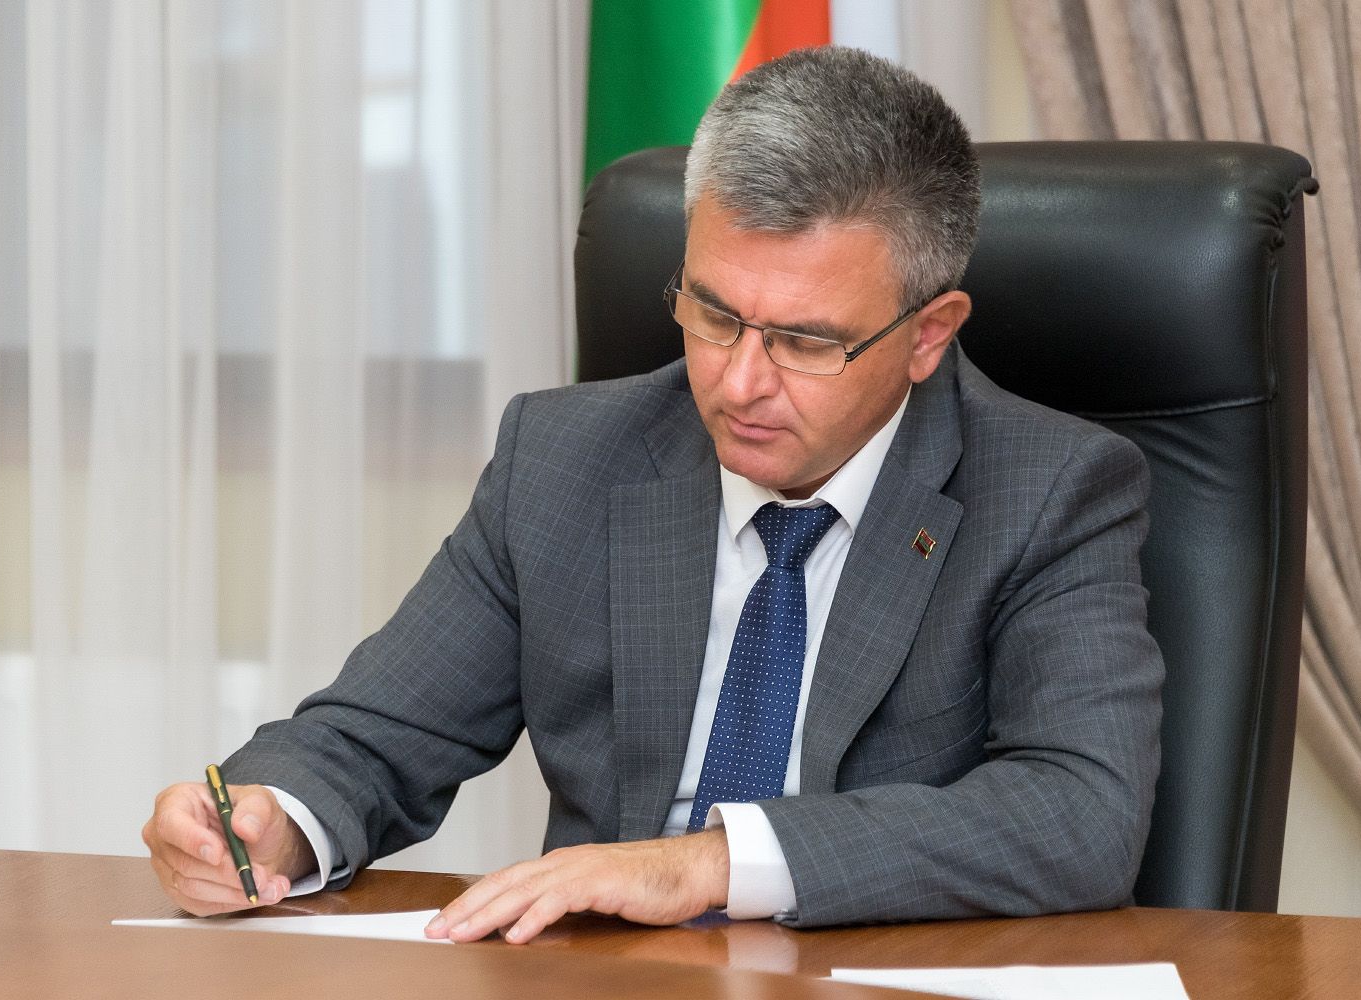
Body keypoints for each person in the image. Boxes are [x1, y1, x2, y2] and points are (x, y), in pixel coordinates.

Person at [142, 46, 1163, 943]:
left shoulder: (1052, 491)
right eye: (712, 313)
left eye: (804, 341)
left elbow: (1079, 813)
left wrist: (711, 861)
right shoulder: (565, 458)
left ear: (928, 334)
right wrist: (271, 818)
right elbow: (373, 736)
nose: (739, 381)